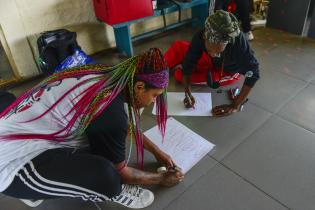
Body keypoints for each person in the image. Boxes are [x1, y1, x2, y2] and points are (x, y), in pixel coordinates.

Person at [0, 48, 184, 209]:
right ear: (139, 86)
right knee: (108, 177)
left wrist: (158, 152)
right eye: (155, 96)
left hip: (19, 128)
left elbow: (125, 126)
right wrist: (160, 179)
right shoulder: (110, 111)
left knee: (100, 139)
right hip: (12, 164)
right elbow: (123, 172)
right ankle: (32, 190)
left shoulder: (109, 75)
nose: (154, 101)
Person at [164, 10, 259, 117]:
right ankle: (160, 70)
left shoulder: (238, 43)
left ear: (227, 43)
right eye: (210, 50)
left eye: (218, 51)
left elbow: (254, 73)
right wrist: (188, 92)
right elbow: (189, 64)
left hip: (226, 70)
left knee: (179, 75)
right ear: (205, 37)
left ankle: (181, 66)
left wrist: (234, 106)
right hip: (209, 60)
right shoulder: (201, 36)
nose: (213, 54)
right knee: (179, 46)